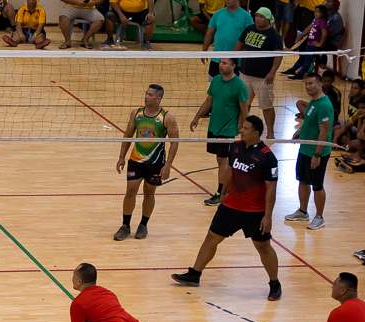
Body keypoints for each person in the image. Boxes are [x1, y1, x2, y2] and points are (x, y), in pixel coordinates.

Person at [172, 115, 281, 300]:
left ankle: (274, 283)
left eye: (246, 129)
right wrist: (223, 191)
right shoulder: (236, 147)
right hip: (231, 205)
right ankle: (195, 274)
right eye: (242, 127)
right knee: (211, 237)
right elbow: (230, 169)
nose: (241, 130)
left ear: (256, 133)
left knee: (263, 247)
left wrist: (268, 216)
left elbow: (271, 187)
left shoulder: (267, 157)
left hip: (255, 211)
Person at [114, 84, 178, 240]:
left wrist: (168, 165)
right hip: (136, 159)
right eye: (146, 94)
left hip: (155, 162)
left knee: (149, 193)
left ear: (158, 99)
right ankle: (125, 225)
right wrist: (122, 157)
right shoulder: (137, 113)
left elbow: (175, 142)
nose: (146, 96)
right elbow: (128, 134)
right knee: (131, 190)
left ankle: (143, 225)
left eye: (150, 95)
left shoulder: (167, 117)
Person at [190, 57, 248, 206]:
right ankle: (228, 189)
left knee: (223, 160)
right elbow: (209, 100)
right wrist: (197, 116)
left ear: (233, 66)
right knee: (220, 159)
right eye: (221, 62)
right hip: (214, 126)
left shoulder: (240, 86)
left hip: (228, 130)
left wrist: (243, 129)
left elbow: (244, 109)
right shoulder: (216, 80)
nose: (221, 65)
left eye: (225, 63)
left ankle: (221, 192)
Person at [284, 73, 333, 231]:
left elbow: (324, 133)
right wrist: (300, 132)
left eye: (311, 83)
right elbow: (310, 121)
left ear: (320, 85)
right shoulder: (313, 102)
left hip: (317, 153)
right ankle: (303, 212)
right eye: (306, 84)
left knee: (317, 185)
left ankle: (319, 217)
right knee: (303, 180)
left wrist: (317, 155)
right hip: (305, 149)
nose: (308, 86)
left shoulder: (324, 105)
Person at [234, 8, 284, 140]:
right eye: (256, 16)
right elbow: (239, 45)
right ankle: (242, 127)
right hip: (245, 74)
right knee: (244, 104)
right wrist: (231, 60)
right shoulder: (249, 29)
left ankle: (271, 133)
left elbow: (278, 56)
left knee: (266, 106)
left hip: (263, 77)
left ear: (268, 19)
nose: (257, 18)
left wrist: (272, 73)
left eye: (261, 16)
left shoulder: (274, 36)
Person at [201, 0, 252, 80]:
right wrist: (204, 51)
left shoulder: (246, 17)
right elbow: (210, 32)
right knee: (215, 86)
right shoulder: (218, 14)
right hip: (217, 58)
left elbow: (250, 37)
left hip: (236, 60)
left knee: (234, 87)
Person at [287, 5, 329, 79]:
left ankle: (300, 75)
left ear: (323, 14)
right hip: (310, 44)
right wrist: (300, 36)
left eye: (318, 12)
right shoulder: (315, 20)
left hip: (315, 46)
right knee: (302, 57)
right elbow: (308, 28)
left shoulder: (322, 22)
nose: (316, 13)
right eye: (315, 11)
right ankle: (293, 70)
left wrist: (320, 44)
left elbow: (324, 33)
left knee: (308, 60)